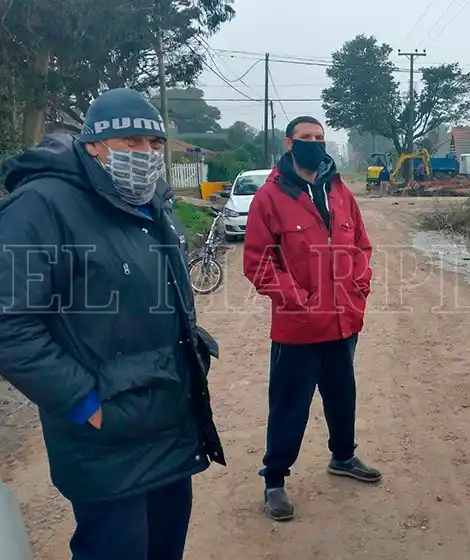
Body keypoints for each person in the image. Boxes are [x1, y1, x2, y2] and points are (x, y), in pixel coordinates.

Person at [0, 88, 225, 560]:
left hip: (168, 422)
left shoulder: (154, 205)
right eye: (130, 141)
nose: (146, 153)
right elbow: (10, 325)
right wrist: (82, 402)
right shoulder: (41, 206)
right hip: (106, 437)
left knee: (166, 547)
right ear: (93, 145)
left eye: (154, 143)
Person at [243, 116, 379, 523]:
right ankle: (275, 479)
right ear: (289, 143)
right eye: (306, 138)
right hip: (298, 327)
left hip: (343, 322)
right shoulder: (270, 197)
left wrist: (359, 286)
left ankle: (343, 457)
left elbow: (361, 245)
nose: (314, 144)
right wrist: (299, 300)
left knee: (342, 394)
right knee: (289, 404)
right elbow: (258, 263)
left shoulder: (339, 191)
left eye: (319, 138)